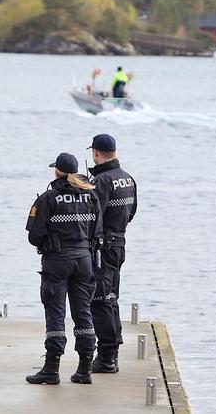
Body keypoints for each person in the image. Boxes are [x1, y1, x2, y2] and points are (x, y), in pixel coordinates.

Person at [25, 152, 103, 385]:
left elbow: (34, 234)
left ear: (56, 171)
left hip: (57, 261)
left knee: (56, 315)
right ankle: (84, 370)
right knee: (83, 314)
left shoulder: (49, 198)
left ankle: (51, 369)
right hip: (84, 260)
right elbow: (97, 231)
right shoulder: (91, 196)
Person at [87, 134, 137, 374]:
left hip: (102, 247)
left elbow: (93, 216)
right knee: (111, 296)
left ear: (95, 152)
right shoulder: (127, 179)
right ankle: (111, 351)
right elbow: (131, 212)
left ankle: (107, 356)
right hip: (119, 243)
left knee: (100, 299)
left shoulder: (102, 181)